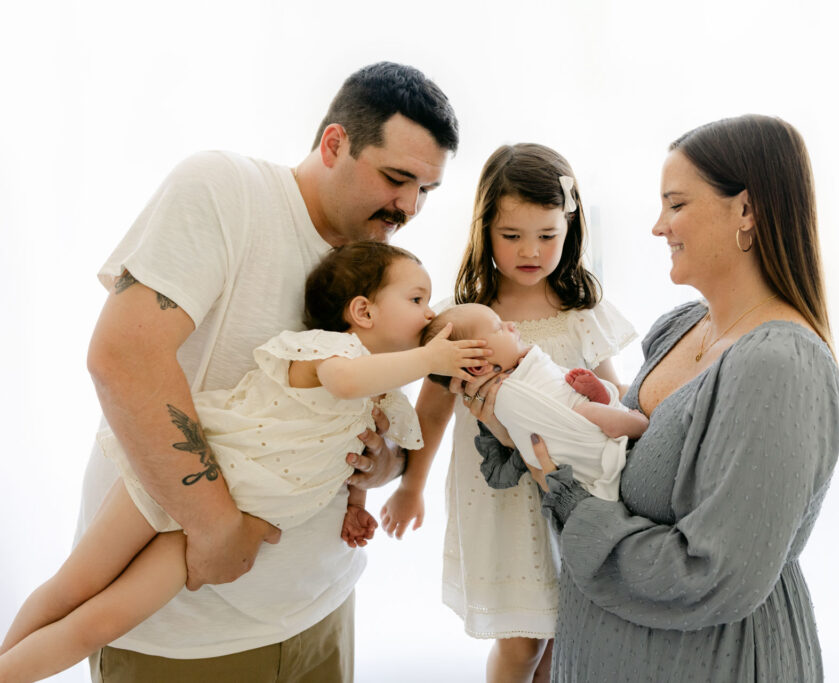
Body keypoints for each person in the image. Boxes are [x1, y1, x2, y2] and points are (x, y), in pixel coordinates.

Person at [69, 62, 458, 682]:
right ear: (334, 144)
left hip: (323, 610)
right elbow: (123, 357)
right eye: (396, 178)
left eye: (426, 191)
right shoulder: (225, 189)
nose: (409, 205)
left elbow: (374, 414)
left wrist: (381, 463)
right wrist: (216, 528)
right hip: (189, 628)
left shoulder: (381, 269)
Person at [0, 243, 488, 683]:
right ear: (362, 310)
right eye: (417, 300)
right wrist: (429, 361)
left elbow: (352, 454)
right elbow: (343, 382)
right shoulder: (328, 349)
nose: (428, 316)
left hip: (226, 520)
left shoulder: (384, 393)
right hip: (180, 479)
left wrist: (356, 502)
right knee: (75, 587)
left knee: (103, 622)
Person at [479, 115, 839, 681]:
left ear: (746, 211)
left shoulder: (778, 366)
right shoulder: (681, 327)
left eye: (676, 204)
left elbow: (713, 574)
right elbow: (629, 461)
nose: (658, 226)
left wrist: (571, 504)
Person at [378, 143, 636, 683]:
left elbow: (615, 399)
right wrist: (410, 485)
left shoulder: (580, 314)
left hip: (569, 494)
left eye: (547, 236)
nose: (531, 251)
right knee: (521, 645)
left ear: (569, 231)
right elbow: (432, 413)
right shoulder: (469, 319)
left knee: (554, 641)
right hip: (498, 502)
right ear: (485, 231)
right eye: (512, 235)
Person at [420, 303, 647, 501]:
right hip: (573, 448)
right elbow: (534, 427)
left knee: (590, 406)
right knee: (587, 410)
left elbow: (571, 386)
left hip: (576, 428)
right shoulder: (507, 392)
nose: (510, 325)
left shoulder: (580, 314)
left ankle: (616, 414)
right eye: (499, 327)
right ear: (478, 367)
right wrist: (412, 488)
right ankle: (636, 425)